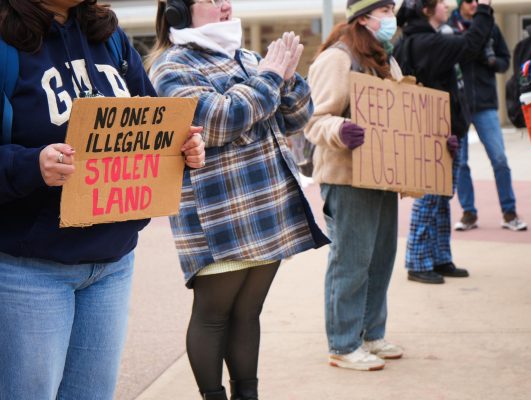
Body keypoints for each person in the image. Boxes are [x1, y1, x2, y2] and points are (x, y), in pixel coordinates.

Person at [0, 1, 206, 399]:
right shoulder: (7, 42)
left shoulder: (109, 37)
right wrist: (31, 165)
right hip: (29, 271)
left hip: (112, 266)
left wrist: (184, 146)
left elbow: (153, 122)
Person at [147, 0, 329, 398]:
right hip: (218, 215)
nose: (225, 5)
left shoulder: (247, 57)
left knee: (248, 313)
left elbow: (297, 118)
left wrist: (288, 78)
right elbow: (217, 120)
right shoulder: (171, 65)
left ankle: (248, 394)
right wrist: (268, 78)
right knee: (213, 315)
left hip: (267, 209)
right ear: (178, 11)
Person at [306, 0, 405, 372]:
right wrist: (340, 130)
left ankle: (371, 333)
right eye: (385, 11)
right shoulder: (337, 58)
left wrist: (431, 141)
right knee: (351, 261)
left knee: (380, 259)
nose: (390, 17)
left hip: (382, 175)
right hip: (347, 177)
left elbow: (402, 115)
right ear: (364, 17)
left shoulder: (385, 58)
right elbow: (314, 120)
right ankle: (344, 343)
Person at [396, 0, 494, 284]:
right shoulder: (425, 42)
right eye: (440, 2)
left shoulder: (417, 41)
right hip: (433, 133)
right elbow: (472, 44)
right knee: (429, 198)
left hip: (441, 132)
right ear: (426, 11)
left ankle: (439, 258)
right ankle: (417, 261)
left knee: (440, 199)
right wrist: (485, 10)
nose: (447, 5)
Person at [449, 0, 527, 232]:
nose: (474, 4)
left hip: (485, 104)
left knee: (499, 159)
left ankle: (509, 211)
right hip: (458, 105)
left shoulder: (490, 26)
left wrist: (491, 61)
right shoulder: (450, 26)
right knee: (460, 162)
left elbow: (504, 60)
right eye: (469, 0)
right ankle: (468, 213)